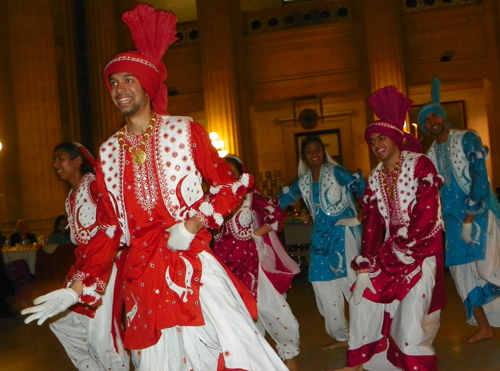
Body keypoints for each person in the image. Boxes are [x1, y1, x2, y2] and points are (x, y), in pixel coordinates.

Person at [23, 5, 288, 371]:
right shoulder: (108, 152)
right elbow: (109, 228)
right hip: (141, 274)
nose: (119, 89)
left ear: (147, 87)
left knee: (232, 353)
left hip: (192, 265)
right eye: (113, 83)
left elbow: (232, 185)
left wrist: (192, 225)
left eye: (129, 80)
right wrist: (77, 288)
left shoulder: (183, 130)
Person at [331, 86, 445, 371]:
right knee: (363, 299)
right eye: (372, 140)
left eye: (382, 137)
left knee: (409, 322)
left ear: (396, 137)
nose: (377, 143)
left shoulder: (420, 164)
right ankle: (361, 362)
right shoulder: (374, 177)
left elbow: (428, 211)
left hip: (422, 251)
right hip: (391, 251)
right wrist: (366, 264)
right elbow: (371, 224)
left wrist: (408, 245)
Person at [23, 142, 129, 371]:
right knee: (60, 320)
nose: (55, 165)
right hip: (82, 264)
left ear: (78, 160)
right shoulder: (70, 197)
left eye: (60, 158)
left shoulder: (95, 186)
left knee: (101, 332)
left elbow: (112, 227)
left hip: (106, 263)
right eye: (55, 160)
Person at [418, 77, 500, 344]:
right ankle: (486, 327)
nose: (432, 123)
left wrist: (469, 217)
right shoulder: (429, 155)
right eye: (427, 121)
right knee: (465, 278)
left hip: (478, 216)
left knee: (490, 271)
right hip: (452, 224)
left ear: (442, 117)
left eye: (434, 117)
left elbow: (480, 178)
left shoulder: (467, 138)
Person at [213, 155, 301, 371]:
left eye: (232, 171)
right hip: (224, 269)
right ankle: (254, 360)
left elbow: (277, 215)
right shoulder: (211, 199)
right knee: (240, 317)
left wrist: (257, 234)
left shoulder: (250, 197)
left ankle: (289, 354)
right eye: (222, 171)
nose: (227, 175)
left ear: (241, 174)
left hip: (252, 265)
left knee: (272, 309)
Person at [279, 136, 365, 351]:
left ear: (324, 152)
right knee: (321, 284)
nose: (314, 154)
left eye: (318, 149)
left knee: (350, 281)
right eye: (309, 151)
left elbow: (362, 187)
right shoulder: (303, 181)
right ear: (304, 157)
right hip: (319, 237)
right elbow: (281, 201)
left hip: (343, 232)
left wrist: (363, 214)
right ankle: (341, 335)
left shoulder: (336, 172)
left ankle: (363, 332)